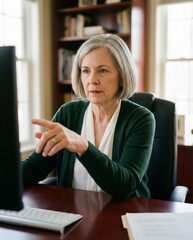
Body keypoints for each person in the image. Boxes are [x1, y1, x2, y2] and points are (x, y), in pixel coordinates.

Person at [21, 33, 155, 200]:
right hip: (71, 215)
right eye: (85, 71)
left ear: (122, 76)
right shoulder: (68, 113)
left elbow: (125, 186)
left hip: (124, 216)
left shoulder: (141, 119)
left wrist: (83, 146)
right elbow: (34, 167)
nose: (92, 80)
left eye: (102, 71)